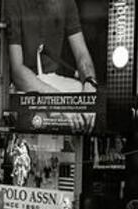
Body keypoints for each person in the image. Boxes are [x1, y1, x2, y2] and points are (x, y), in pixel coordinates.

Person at [5, 0, 97, 132]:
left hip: (56, 84)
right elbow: (17, 71)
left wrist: (90, 88)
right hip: (27, 86)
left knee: (92, 108)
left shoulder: (67, 3)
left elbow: (82, 54)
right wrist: (59, 101)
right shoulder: (14, 3)